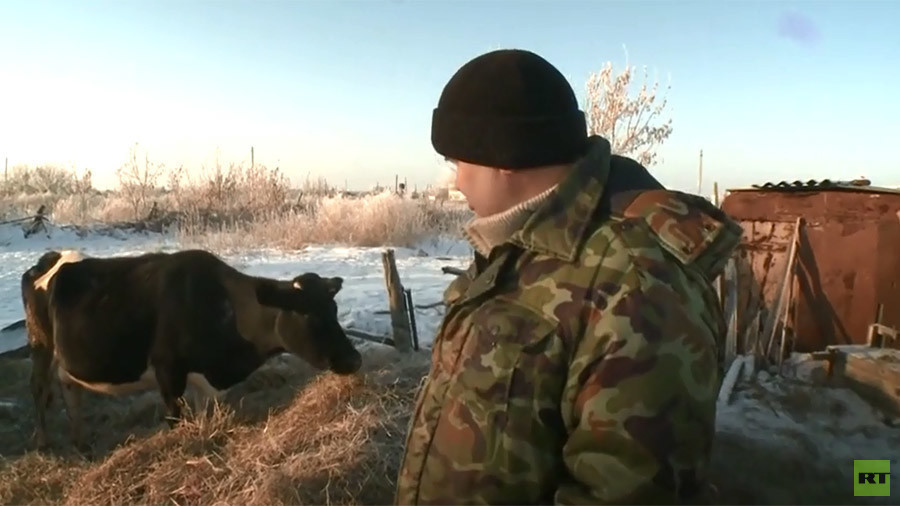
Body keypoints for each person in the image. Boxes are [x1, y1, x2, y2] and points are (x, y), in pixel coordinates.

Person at [394, 48, 743, 505]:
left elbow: (627, 489)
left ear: (504, 153)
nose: (457, 182)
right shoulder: (522, 248)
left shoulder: (638, 283)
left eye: (459, 162)